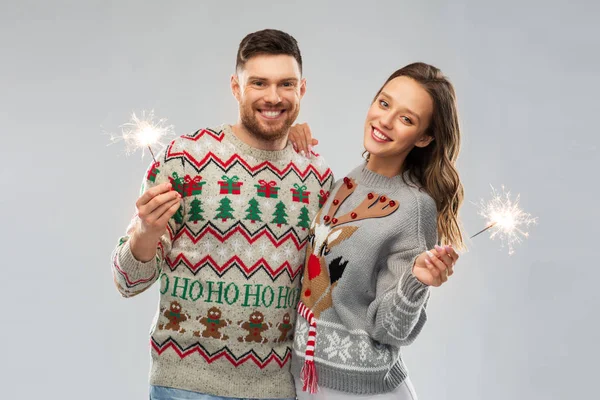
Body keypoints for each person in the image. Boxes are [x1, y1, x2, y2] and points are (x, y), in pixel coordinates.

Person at [110, 29, 335, 400]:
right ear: (236, 87)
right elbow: (126, 281)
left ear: (302, 89)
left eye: (286, 84)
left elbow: (322, 289)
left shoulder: (318, 178)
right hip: (183, 385)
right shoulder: (185, 158)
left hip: (277, 389)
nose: (274, 97)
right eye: (259, 83)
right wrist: (146, 233)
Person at [288, 62, 463, 400]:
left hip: (363, 392)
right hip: (306, 382)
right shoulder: (344, 184)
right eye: (384, 103)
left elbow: (390, 330)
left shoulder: (414, 207)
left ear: (425, 137)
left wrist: (415, 282)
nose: (385, 120)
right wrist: (288, 139)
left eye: (407, 119)